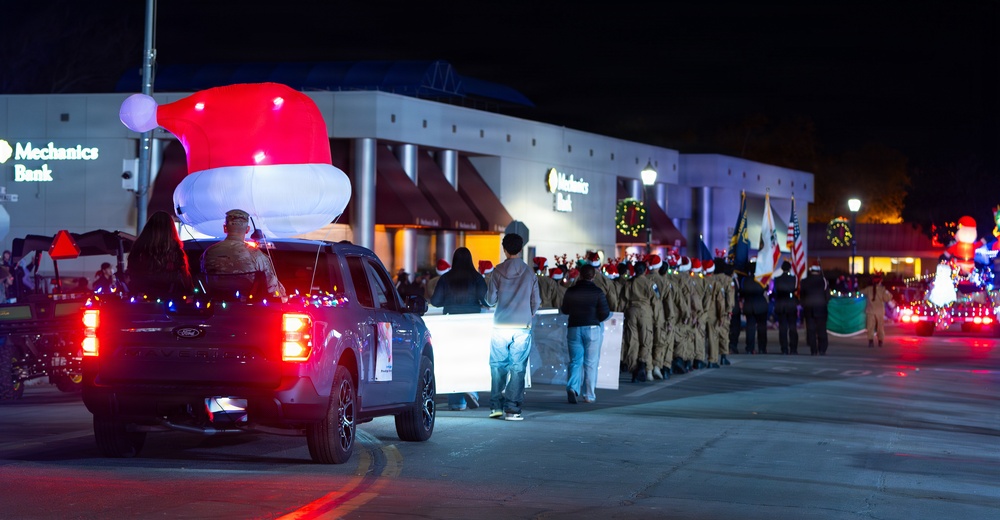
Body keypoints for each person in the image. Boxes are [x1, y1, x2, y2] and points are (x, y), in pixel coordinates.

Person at [484, 233, 540, 421]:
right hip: (522, 325)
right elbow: (536, 301)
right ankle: (512, 409)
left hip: (500, 324)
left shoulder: (497, 271)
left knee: (497, 365)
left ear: (504, 249)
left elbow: (490, 300)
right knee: (517, 367)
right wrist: (529, 313)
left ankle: (495, 406)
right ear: (521, 249)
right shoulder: (529, 272)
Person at [431, 247, 488, 411]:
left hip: (451, 322)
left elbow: (435, 301)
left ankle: (457, 402)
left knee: (453, 360)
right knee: (471, 358)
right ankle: (471, 390)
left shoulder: (445, 278)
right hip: (473, 322)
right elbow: (486, 300)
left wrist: (448, 300)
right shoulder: (477, 278)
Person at [201, 209, 286, 299]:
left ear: (225, 228)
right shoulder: (256, 255)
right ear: (247, 229)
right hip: (248, 306)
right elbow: (273, 289)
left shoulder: (208, 253)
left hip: (214, 305)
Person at [560, 263, 610, 404]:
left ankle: (572, 388)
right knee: (590, 363)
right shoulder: (598, 292)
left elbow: (565, 309)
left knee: (575, 361)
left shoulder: (571, 291)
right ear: (593, 276)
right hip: (592, 328)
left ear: (580, 275)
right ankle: (589, 395)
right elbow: (605, 313)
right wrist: (595, 319)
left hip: (574, 328)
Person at [126, 211, 194, 296]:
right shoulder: (176, 251)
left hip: (140, 296)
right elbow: (184, 279)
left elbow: (131, 273)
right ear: (171, 229)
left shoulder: (138, 248)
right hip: (170, 297)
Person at [621, 261, 658, 382]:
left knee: (633, 341)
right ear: (645, 270)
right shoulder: (650, 284)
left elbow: (622, 300)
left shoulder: (628, 283)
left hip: (631, 312)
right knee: (646, 340)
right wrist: (657, 318)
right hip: (645, 312)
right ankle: (642, 364)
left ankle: (634, 370)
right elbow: (656, 302)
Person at [800, 264, 830, 355]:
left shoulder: (804, 281)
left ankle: (813, 350)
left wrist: (804, 305)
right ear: (819, 271)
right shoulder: (824, 281)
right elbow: (827, 296)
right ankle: (822, 349)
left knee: (811, 330)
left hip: (808, 308)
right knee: (822, 330)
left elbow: (802, 296)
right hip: (821, 308)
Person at [741, 263, 769, 354]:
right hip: (760, 305)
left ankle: (749, 348)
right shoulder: (761, 280)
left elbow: (742, 292)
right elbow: (766, 288)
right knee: (762, 328)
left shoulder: (745, 280)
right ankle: (762, 348)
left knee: (750, 328)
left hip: (749, 305)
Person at [772, 260, 800, 354]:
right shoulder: (793, 279)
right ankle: (793, 349)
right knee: (792, 328)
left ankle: (784, 349)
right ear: (790, 268)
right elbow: (795, 290)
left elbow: (775, 291)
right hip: (791, 305)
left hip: (781, 305)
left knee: (782, 329)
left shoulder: (777, 279)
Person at [861, 272, 894, 347]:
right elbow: (887, 298)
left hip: (870, 310)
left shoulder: (868, 289)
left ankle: (871, 341)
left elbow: (860, 293)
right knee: (880, 326)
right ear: (880, 281)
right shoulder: (883, 290)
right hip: (880, 311)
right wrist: (888, 293)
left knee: (870, 326)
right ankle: (880, 341)